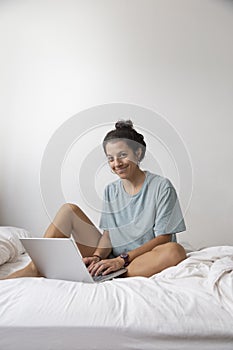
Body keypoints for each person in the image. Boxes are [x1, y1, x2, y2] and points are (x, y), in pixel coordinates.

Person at [5, 120, 186, 279]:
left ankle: (115, 274)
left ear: (138, 153)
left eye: (123, 155)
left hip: (139, 259)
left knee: (174, 251)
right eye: (110, 159)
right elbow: (108, 235)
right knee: (69, 210)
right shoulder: (111, 190)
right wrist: (98, 257)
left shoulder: (162, 187)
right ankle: (36, 267)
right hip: (111, 257)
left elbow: (164, 238)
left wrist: (121, 260)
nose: (117, 163)